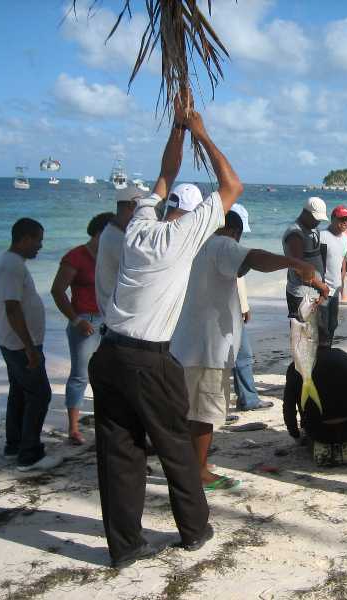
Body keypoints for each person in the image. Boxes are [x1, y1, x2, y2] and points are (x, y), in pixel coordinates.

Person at [88, 103, 239, 568]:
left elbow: (164, 174)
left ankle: (124, 547)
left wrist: (177, 128)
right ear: (192, 215)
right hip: (149, 359)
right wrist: (201, 132)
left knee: (119, 453)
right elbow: (232, 187)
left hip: (108, 353)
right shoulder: (186, 236)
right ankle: (194, 530)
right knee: (175, 446)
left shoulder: (139, 226)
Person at [172, 210, 314, 491]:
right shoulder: (221, 244)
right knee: (203, 415)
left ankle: (188, 465)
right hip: (206, 350)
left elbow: (240, 268)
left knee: (188, 412)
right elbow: (254, 258)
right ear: (233, 232)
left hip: (182, 345)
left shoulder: (194, 245)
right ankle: (198, 473)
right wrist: (295, 263)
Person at [0, 218, 61, 472]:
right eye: (38, 240)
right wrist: (29, 347)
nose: (40, 246)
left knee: (19, 391)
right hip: (19, 344)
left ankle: (14, 445)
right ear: (25, 239)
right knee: (40, 394)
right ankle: (29, 454)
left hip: (10, 340)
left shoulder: (6, 261)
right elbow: (11, 307)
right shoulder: (12, 265)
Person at [51, 212, 114, 444]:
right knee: (80, 375)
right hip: (86, 321)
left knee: (108, 375)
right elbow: (57, 291)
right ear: (99, 233)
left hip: (110, 320)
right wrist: (76, 320)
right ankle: (73, 428)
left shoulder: (112, 256)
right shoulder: (75, 256)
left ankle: (107, 422)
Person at [283, 347, 347, 466]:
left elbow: (289, 407)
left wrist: (296, 435)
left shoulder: (296, 366)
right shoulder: (342, 356)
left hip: (318, 433)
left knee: (299, 387)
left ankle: (323, 448)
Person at [229, 203, 272, 413]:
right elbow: (244, 270)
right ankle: (248, 399)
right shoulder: (226, 249)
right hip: (228, 310)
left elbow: (239, 279)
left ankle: (246, 398)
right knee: (241, 355)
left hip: (232, 308)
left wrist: (245, 305)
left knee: (239, 355)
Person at [283, 197, 331, 342]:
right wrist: (321, 286)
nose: (318, 222)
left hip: (316, 290)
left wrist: (322, 286)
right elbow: (299, 268)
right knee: (303, 339)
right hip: (301, 295)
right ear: (306, 213)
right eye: (316, 218)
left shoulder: (313, 229)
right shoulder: (295, 234)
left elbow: (319, 256)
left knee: (319, 335)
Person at [95, 190, 137, 318]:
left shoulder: (112, 232)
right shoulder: (117, 238)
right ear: (132, 206)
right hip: (117, 316)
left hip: (112, 313)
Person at [319, 205, 347, 344]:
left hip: (336, 290)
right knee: (322, 327)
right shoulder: (322, 236)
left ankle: (327, 351)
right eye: (342, 219)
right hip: (322, 291)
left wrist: (341, 279)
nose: (345, 222)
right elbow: (313, 263)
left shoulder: (345, 238)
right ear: (332, 219)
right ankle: (321, 354)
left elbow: (344, 260)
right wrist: (319, 286)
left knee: (333, 325)